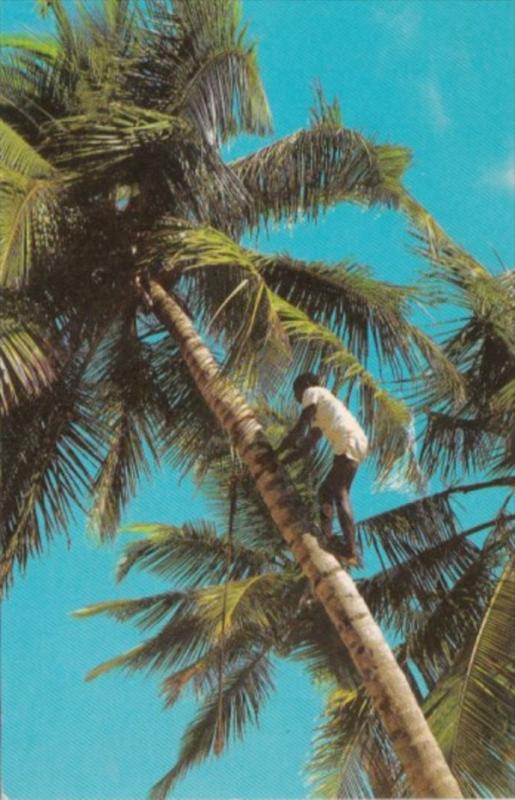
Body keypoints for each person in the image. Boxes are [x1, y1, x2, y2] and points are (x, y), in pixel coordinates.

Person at [277, 373, 368, 564]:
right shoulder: (324, 407)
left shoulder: (313, 391)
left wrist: (279, 449)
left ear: (306, 384)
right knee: (326, 491)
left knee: (340, 492)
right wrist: (283, 460)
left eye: (296, 391)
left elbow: (301, 426)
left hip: (348, 440)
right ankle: (329, 538)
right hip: (356, 442)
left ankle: (350, 548)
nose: (297, 397)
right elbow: (307, 446)